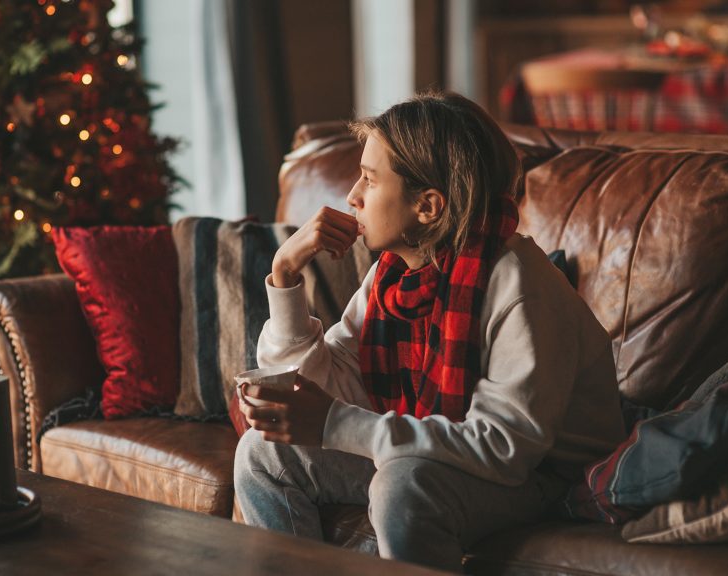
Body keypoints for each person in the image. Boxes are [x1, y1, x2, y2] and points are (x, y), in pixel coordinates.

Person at [233, 92, 625, 573]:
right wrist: (286, 274)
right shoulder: (393, 276)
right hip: (454, 453)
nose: (353, 195)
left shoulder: (519, 286)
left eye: (370, 180)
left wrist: (335, 424)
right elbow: (325, 382)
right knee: (262, 452)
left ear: (429, 207)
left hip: (547, 476)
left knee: (404, 483)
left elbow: (503, 447)